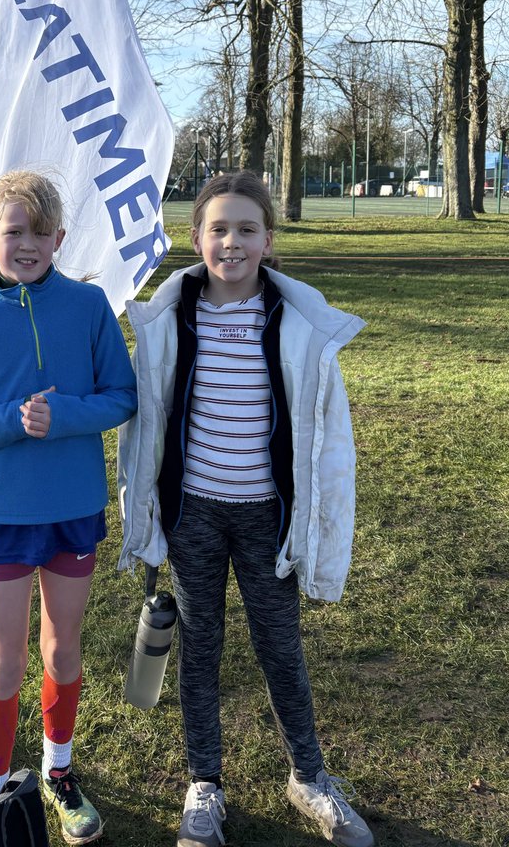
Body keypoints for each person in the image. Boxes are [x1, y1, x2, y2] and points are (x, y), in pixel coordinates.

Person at [117, 171, 373, 847]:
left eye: (246, 229)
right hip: (194, 516)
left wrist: (318, 527)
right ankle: (204, 783)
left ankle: (309, 777)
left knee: (280, 649)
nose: (232, 242)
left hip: (267, 519)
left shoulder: (298, 324)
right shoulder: (168, 320)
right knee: (199, 647)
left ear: (268, 240)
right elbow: (143, 429)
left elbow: (328, 439)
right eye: (219, 229)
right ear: (196, 238)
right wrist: (146, 514)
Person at [0, 170, 137, 844]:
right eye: (15, 231)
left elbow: (122, 396)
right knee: (5, 660)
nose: (28, 244)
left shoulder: (90, 306)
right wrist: (10, 421)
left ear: (59, 238)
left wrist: (63, 416)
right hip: (4, 514)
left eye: (41, 233)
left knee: (63, 649)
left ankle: (58, 770)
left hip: (73, 508)